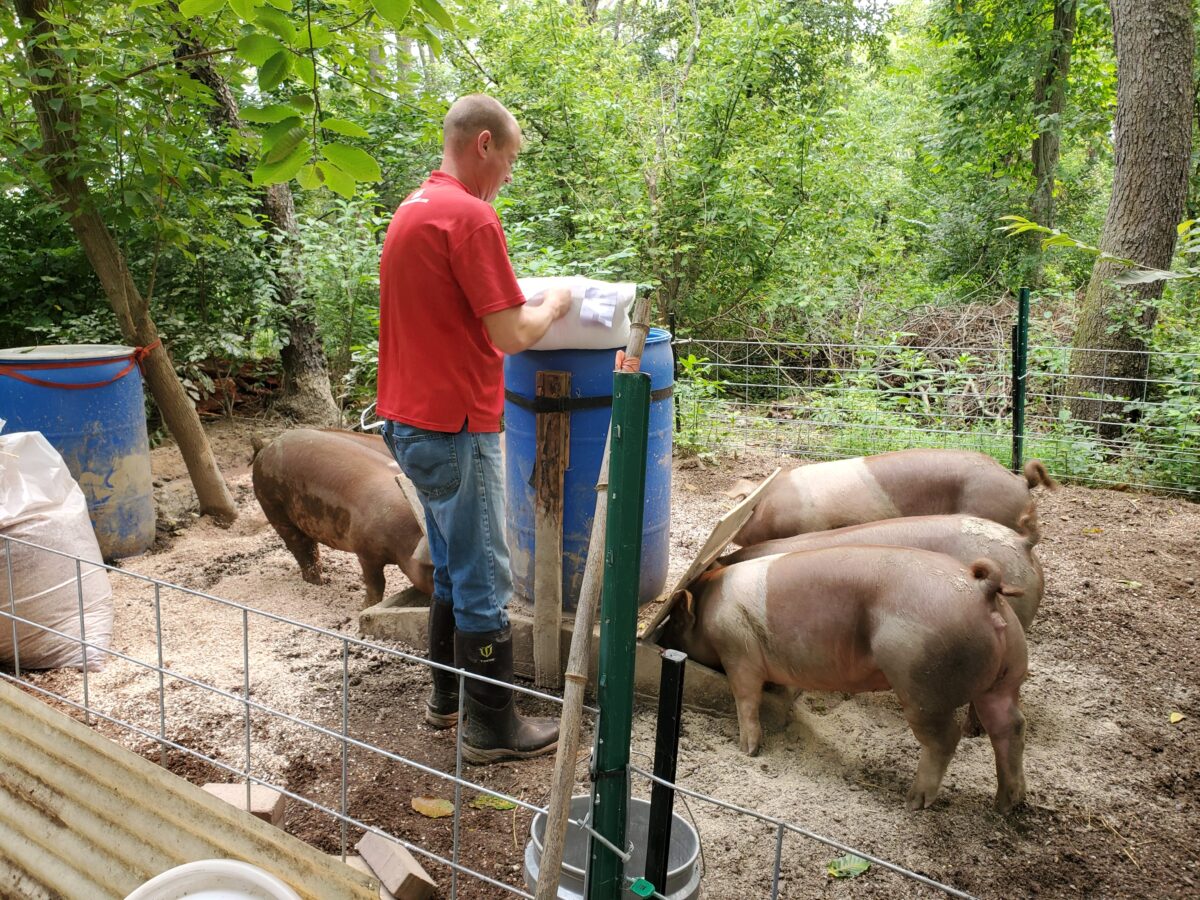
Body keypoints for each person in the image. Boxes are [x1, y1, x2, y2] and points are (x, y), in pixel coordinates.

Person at [376, 94, 571, 764]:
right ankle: (491, 729)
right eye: (510, 159)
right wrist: (554, 304)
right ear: (483, 144)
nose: (510, 175)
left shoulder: (412, 210)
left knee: (457, 566)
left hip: (407, 419)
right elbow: (513, 334)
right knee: (487, 573)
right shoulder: (470, 217)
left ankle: (448, 699)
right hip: (454, 425)